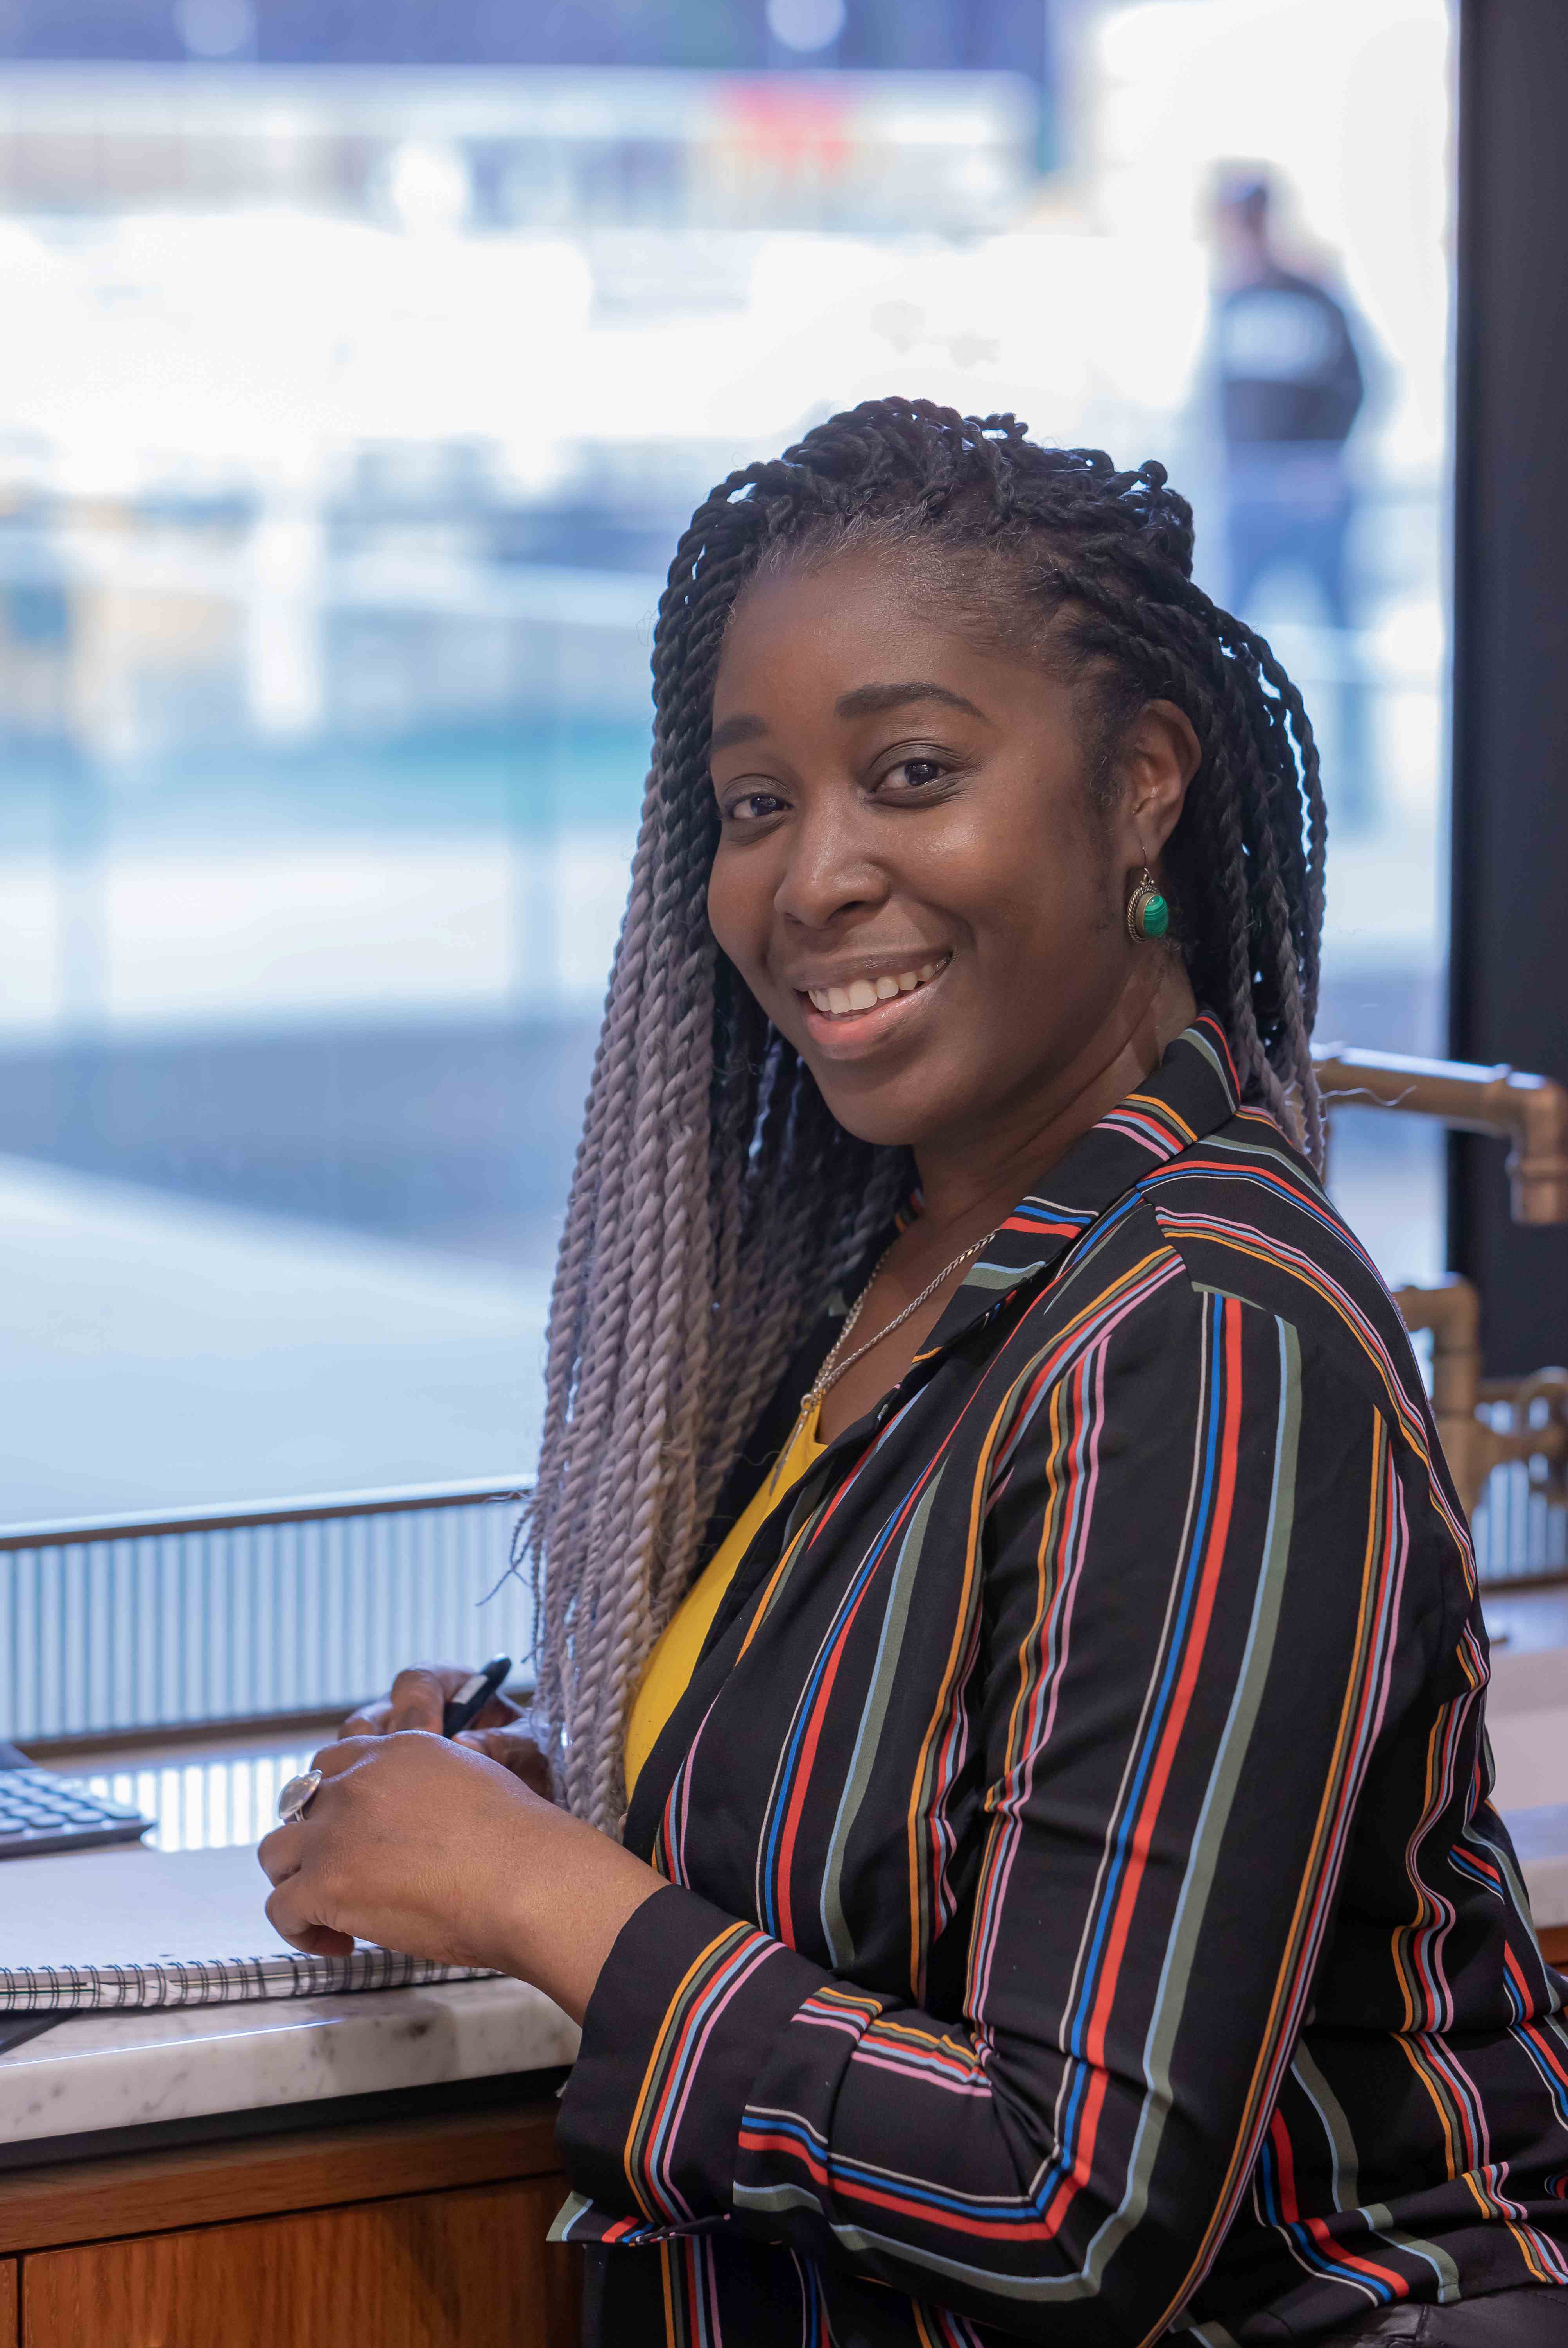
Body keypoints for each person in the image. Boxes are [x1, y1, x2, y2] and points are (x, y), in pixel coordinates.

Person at [258, 400, 1568, 2344]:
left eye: (909, 769)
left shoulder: (1200, 1337)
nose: (812, 878)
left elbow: (1073, 2198)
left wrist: (537, 1887)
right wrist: (574, 1768)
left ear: (1137, 782)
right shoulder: (890, 1283)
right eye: (756, 801)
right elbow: (917, 1797)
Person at [1210, 171, 1375, 830]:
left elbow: (1356, 384)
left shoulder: (1311, 293)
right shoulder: (1230, 300)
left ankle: (1358, 785)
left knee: (1340, 640)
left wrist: (1322, 464)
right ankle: (1223, 770)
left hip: (1310, 498)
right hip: (1249, 495)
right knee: (1226, 639)